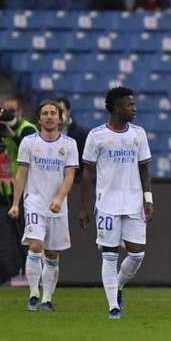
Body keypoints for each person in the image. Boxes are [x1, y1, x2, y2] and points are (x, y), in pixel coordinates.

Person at [79, 86, 154, 320]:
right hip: (107, 204)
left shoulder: (138, 133)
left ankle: (118, 286)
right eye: (129, 104)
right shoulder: (97, 135)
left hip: (133, 202)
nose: (134, 108)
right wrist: (84, 207)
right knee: (109, 255)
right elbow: (87, 173)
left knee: (137, 255)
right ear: (116, 107)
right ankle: (113, 306)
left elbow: (145, 169)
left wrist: (148, 199)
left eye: (133, 104)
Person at [8, 100, 78, 312]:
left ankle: (47, 298)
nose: (49, 116)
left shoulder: (69, 144)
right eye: (45, 113)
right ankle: (33, 294)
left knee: (52, 255)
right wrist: (16, 203)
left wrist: (59, 198)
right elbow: (21, 174)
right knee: (35, 246)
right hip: (34, 202)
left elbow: (69, 176)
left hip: (57, 206)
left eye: (53, 113)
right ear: (38, 119)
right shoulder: (29, 143)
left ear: (60, 118)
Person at [1, 97, 38, 205]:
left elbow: (33, 152)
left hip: (26, 185)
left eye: (12, 111)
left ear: (20, 112)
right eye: (5, 112)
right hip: (7, 184)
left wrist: (13, 135)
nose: (8, 115)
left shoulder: (28, 128)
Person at [54, 97, 88, 161]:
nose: (59, 115)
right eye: (55, 112)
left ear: (68, 112)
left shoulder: (81, 135)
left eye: (62, 111)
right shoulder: (46, 133)